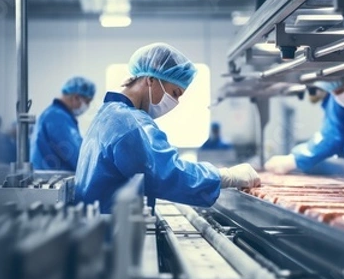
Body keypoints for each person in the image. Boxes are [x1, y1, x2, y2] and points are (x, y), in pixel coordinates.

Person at [74, 43, 260, 214]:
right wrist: (225, 176)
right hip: (111, 231)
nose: (175, 102)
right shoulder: (128, 123)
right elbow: (165, 173)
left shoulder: (110, 113)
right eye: (174, 93)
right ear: (151, 80)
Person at [31, 76, 96, 171]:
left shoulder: (54, 114)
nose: (87, 106)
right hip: (51, 179)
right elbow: (78, 157)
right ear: (76, 97)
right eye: (87, 101)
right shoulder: (57, 117)